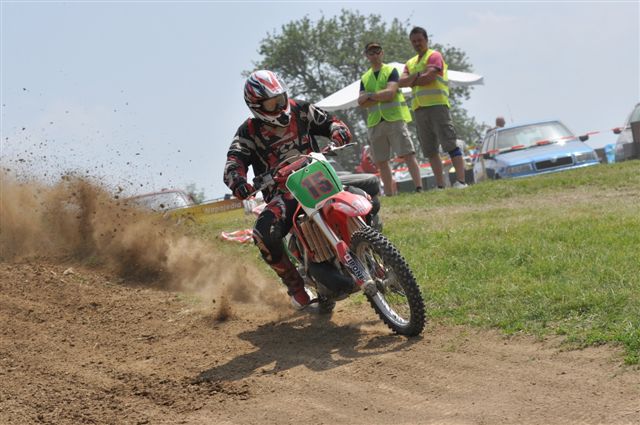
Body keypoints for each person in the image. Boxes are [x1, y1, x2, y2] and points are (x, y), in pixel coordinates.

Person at [223, 70, 352, 310]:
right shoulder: (248, 131)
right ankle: (296, 286)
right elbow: (234, 160)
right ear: (256, 106)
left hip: (319, 176)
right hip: (284, 193)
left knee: (365, 194)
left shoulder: (301, 109)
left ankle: (368, 246)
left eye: (280, 99)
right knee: (263, 233)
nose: (280, 106)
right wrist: (238, 181)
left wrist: (338, 130)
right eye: (271, 104)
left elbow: (330, 121)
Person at [399, 26, 468, 189]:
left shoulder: (434, 56)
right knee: (430, 150)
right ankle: (440, 185)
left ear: (426, 40)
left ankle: (461, 181)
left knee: (450, 144)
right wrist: (417, 76)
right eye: (414, 41)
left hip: (438, 107)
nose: (417, 43)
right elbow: (401, 82)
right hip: (419, 109)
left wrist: (412, 80)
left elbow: (429, 78)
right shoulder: (410, 62)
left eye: (419, 40)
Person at [357, 42, 423, 195]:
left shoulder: (391, 70)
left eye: (377, 51)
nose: (375, 54)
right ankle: (389, 194)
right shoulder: (365, 77)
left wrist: (370, 96)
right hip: (375, 123)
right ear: (367, 56)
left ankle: (419, 188)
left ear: (382, 53)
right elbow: (361, 102)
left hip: (394, 119)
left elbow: (390, 93)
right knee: (381, 161)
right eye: (371, 52)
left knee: (408, 154)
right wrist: (379, 96)